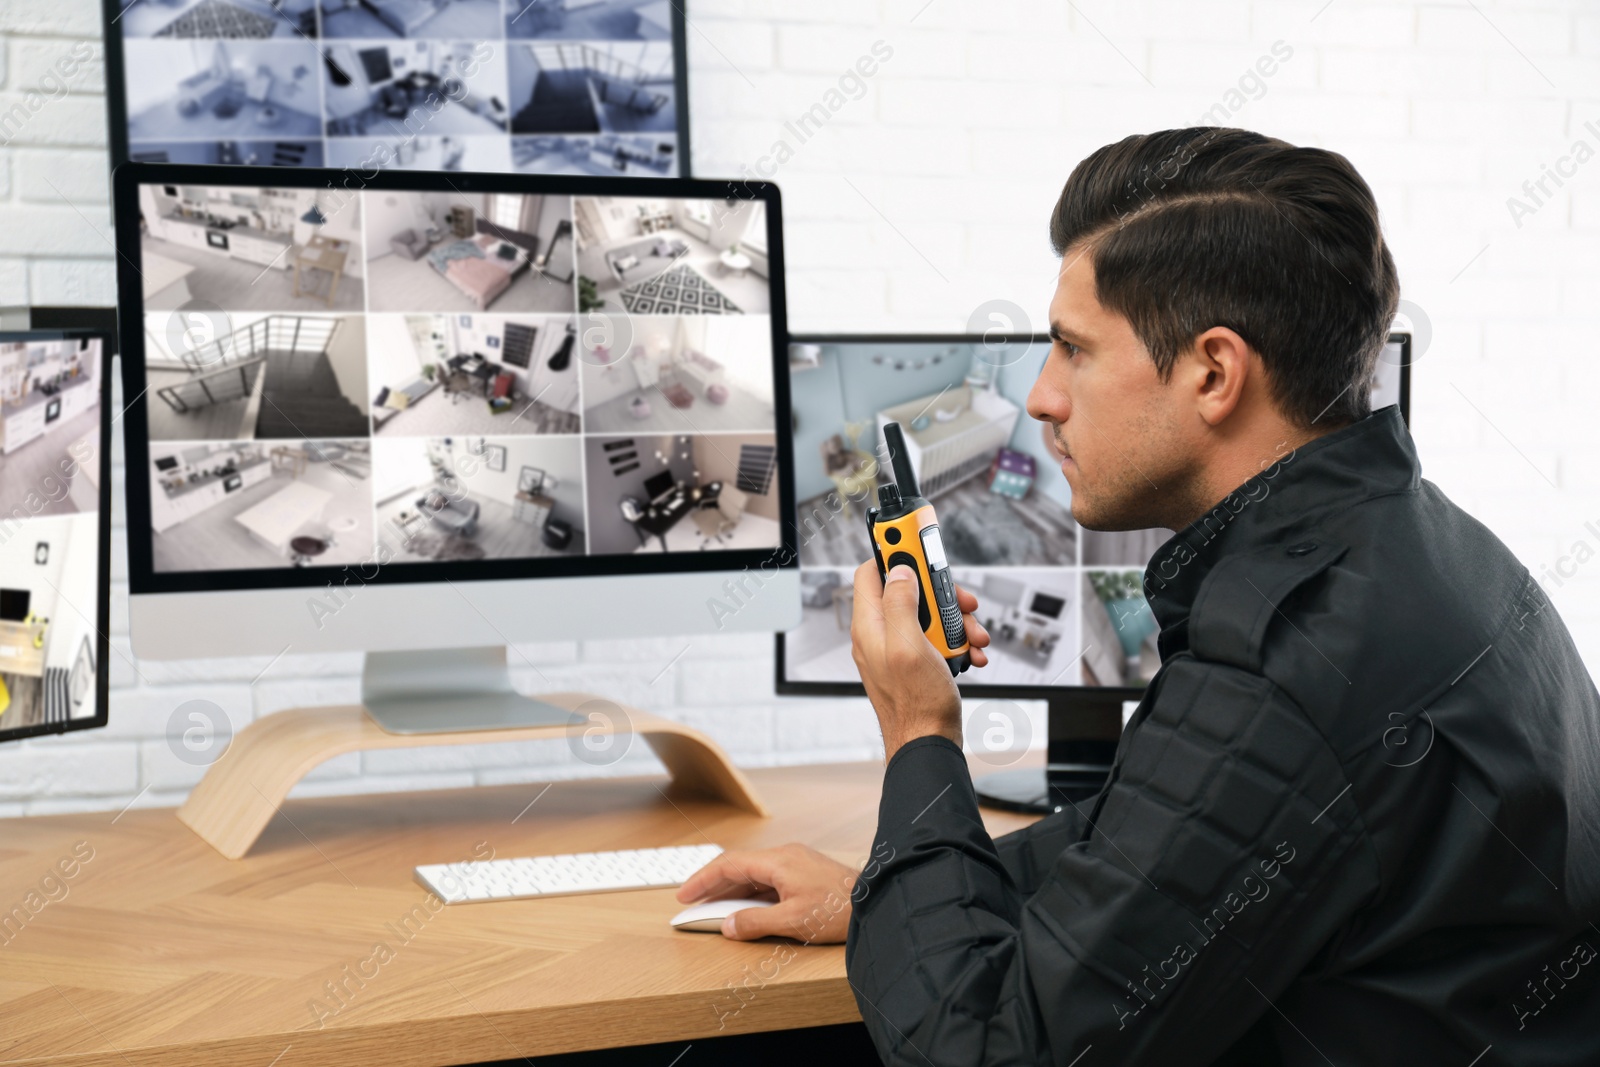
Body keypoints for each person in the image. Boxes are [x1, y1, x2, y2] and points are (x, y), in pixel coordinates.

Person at [677, 128, 1600, 1065]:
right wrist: (891, 886)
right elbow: (1155, 857)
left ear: (1213, 373)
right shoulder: (1424, 545)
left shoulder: (1283, 659)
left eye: (1072, 350)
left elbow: (979, 1050)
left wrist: (920, 735)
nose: (1040, 397)